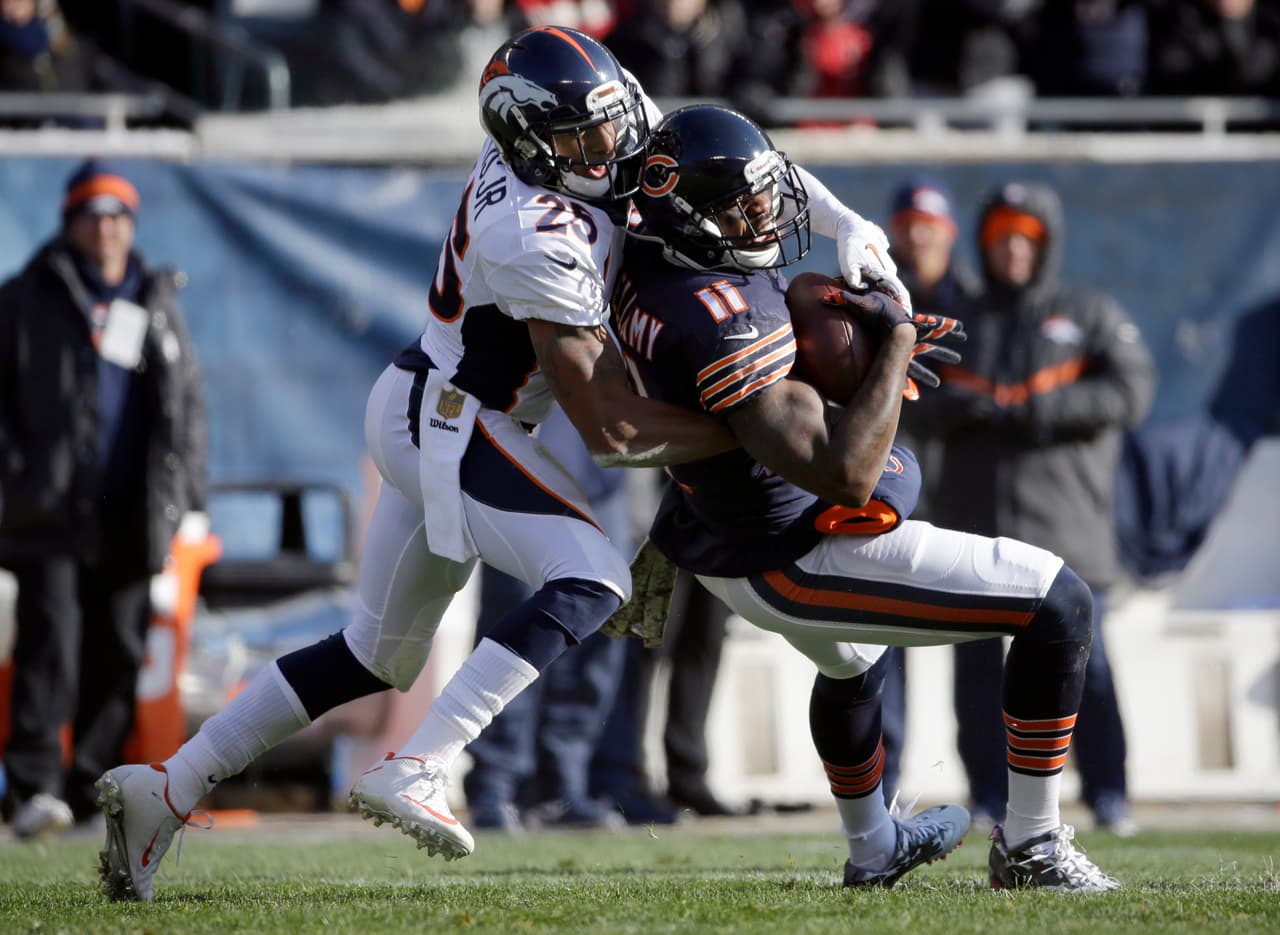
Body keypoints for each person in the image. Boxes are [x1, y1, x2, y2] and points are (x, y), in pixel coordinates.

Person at [92, 25, 905, 903]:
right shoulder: (531, 228)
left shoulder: (599, 114)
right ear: (530, 144)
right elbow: (614, 434)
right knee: (593, 573)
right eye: (583, 143)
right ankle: (423, 762)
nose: (613, 150)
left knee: (372, 655)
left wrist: (844, 222)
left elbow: (723, 159)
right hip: (452, 415)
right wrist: (753, 426)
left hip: (430, 398)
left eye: (610, 125)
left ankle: (164, 789)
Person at [613, 103, 1120, 891]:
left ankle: (874, 845)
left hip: (721, 524)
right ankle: (1032, 843)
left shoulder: (644, 247)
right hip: (785, 552)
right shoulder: (721, 316)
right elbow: (845, 472)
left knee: (853, 657)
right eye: (744, 206)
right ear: (692, 216)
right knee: (1060, 602)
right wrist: (895, 345)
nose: (767, 214)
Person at [905, 181, 1155, 835]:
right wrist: (955, 410)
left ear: (1045, 246)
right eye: (1002, 236)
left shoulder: (1087, 312)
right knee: (979, 670)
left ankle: (1109, 792)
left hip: (1065, 527)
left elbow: (1131, 390)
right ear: (985, 243)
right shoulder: (957, 322)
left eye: (1027, 237)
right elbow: (906, 398)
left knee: (1085, 668)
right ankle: (989, 794)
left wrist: (1043, 411)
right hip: (973, 527)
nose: (1014, 248)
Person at [0, 158, 207, 839]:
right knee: (47, 648)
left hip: (130, 510)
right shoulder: (27, 295)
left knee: (117, 649)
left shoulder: (153, 298)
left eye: (119, 213)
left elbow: (186, 408)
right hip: (49, 509)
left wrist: (185, 498)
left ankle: (92, 792)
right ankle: (31, 791)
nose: (107, 226)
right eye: (93, 212)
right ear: (70, 222)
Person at [462, 406, 631, 832]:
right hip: (524, 458)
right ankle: (494, 786)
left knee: (598, 627)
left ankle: (561, 787)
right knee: (517, 628)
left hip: (604, 469)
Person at [878, 175, 980, 804]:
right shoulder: (876, 298)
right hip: (892, 495)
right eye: (909, 223)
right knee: (881, 648)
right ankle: (882, 792)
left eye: (930, 225)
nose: (919, 235)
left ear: (949, 233)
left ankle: (993, 788)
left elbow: (981, 393)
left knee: (978, 645)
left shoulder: (979, 304)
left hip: (966, 495)